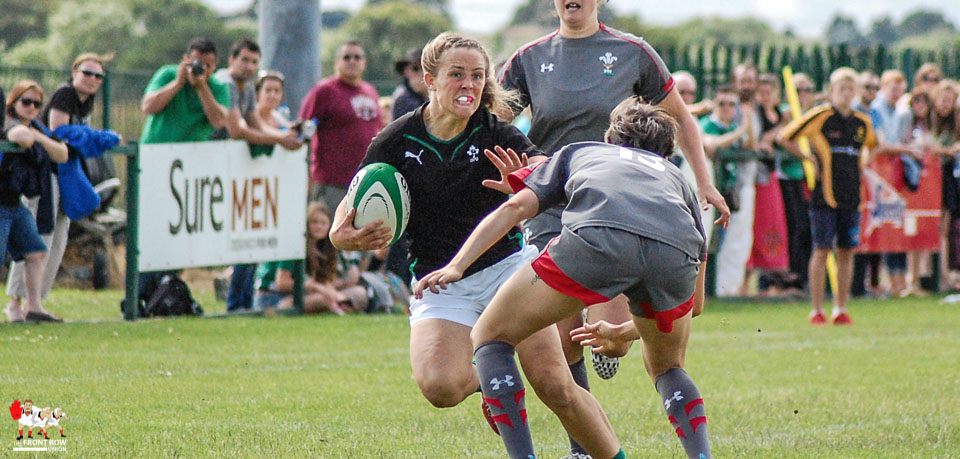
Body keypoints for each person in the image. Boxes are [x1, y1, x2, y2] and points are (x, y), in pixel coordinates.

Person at [330, 32, 623, 457]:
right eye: (457, 75)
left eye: (478, 76)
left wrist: (525, 182)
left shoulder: (495, 132)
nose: (469, 84)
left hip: (509, 272)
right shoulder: (398, 138)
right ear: (430, 79)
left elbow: (544, 168)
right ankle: (493, 372)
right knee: (441, 387)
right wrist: (343, 234)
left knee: (555, 384)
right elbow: (355, 196)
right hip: (440, 281)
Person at [415, 97, 711, 459]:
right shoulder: (676, 179)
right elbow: (693, 306)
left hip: (598, 240)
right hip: (674, 251)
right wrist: (624, 332)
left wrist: (458, 265)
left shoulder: (583, 151)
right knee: (667, 368)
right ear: (666, 152)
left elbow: (515, 207)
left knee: (491, 337)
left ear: (609, 139)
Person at [498, 4, 726, 453]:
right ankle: (581, 447)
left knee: (616, 341)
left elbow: (680, 117)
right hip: (554, 203)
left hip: (620, 208)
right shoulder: (527, 59)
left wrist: (704, 181)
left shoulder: (631, 51)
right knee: (566, 340)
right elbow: (494, 123)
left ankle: (611, 328)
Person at [6, 53, 111, 319]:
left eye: (98, 76)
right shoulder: (65, 94)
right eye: (87, 73)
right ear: (74, 71)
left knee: (55, 241)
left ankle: (36, 303)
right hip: (43, 178)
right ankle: (17, 303)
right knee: (39, 238)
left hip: (62, 175)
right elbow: (59, 132)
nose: (92, 80)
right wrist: (92, 138)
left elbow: (62, 148)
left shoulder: (86, 101)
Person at [777, 67, 880, 326]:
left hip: (851, 195)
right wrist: (807, 158)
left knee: (846, 250)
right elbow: (785, 137)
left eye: (850, 89)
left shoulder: (862, 122)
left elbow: (873, 145)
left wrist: (863, 164)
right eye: (841, 89)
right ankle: (816, 309)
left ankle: (841, 308)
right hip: (824, 196)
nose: (846, 94)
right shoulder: (820, 116)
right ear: (832, 91)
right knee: (822, 248)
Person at [137, 37, 230, 306]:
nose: (203, 70)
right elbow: (148, 106)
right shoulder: (167, 74)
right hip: (153, 166)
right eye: (198, 63)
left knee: (173, 236)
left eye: (209, 66)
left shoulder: (215, 87)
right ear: (185, 60)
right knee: (148, 232)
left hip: (185, 176)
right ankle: (141, 293)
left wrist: (201, 87)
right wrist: (179, 82)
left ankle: (162, 292)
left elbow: (220, 122)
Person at [215, 39, 302, 314]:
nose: (249, 66)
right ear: (231, 59)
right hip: (215, 169)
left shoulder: (246, 90)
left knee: (248, 240)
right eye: (245, 60)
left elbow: (253, 124)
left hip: (245, 179)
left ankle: (240, 304)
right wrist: (279, 139)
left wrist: (284, 135)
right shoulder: (225, 83)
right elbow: (237, 130)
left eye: (254, 61)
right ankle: (235, 302)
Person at [2, 81, 69, 323]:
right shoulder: (8, 122)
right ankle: (15, 307)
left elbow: (62, 153)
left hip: (13, 203)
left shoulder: (36, 127)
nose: (31, 107)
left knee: (36, 252)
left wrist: (38, 135)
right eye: (26, 102)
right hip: (2, 202)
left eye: (36, 103)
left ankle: (34, 307)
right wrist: (35, 136)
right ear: (13, 102)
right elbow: (20, 137)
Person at [299, 40, 381, 212]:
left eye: (357, 57)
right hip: (332, 183)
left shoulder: (370, 91)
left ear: (364, 63)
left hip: (364, 182)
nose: (352, 61)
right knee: (330, 235)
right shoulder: (324, 91)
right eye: (346, 57)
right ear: (337, 62)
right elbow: (303, 131)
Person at [254, 202, 362, 315]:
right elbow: (282, 283)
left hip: (302, 295)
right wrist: (318, 288)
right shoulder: (295, 245)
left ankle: (339, 306)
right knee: (323, 298)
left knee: (358, 293)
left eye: (323, 223)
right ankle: (337, 308)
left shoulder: (325, 247)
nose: (319, 227)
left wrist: (330, 289)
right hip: (271, 297)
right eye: (314, 222)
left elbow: (326, 280)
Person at [871, 70, 910, 296]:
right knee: (880, 227)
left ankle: (898, 281)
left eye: (899, 86)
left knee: (896, 226)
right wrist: (908, 150)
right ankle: (883, 281)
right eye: (891, 86)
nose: (896, 91)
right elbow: (883, 143)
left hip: (894, 173)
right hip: (878, 174)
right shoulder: (876, 109)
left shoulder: (899, 111)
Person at [392, 47, 428, 119]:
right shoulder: (403, 100)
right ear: (406, 71)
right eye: (415, 68)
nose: (422, 73)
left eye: (425, 68)